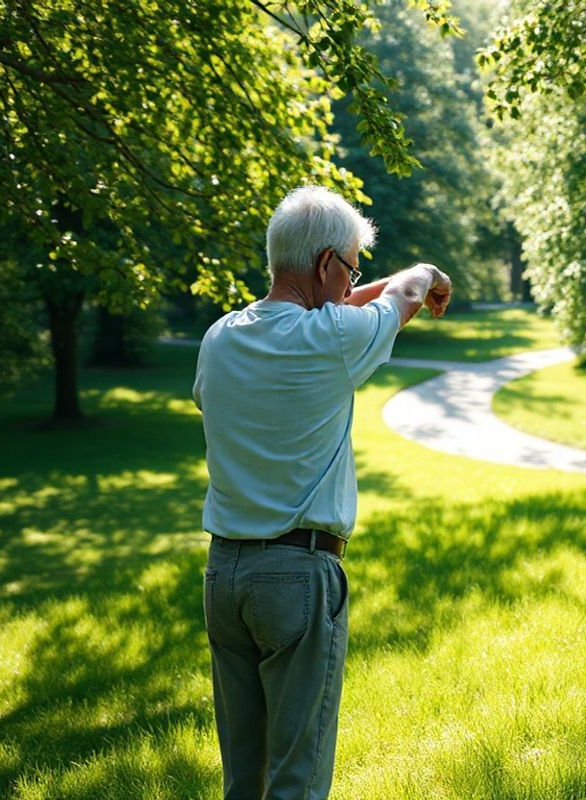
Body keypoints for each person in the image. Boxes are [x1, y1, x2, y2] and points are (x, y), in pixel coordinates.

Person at [193, 185, 452, 799]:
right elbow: (402, 296)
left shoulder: (221, 337)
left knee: (244, 781)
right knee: (297, 781)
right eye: (350, 268)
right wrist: (427, 271)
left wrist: (359, 282)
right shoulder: (333, 341)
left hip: (224, 575)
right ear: (323, 264)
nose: (352, 283)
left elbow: (333, 307)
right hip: (298, 575)